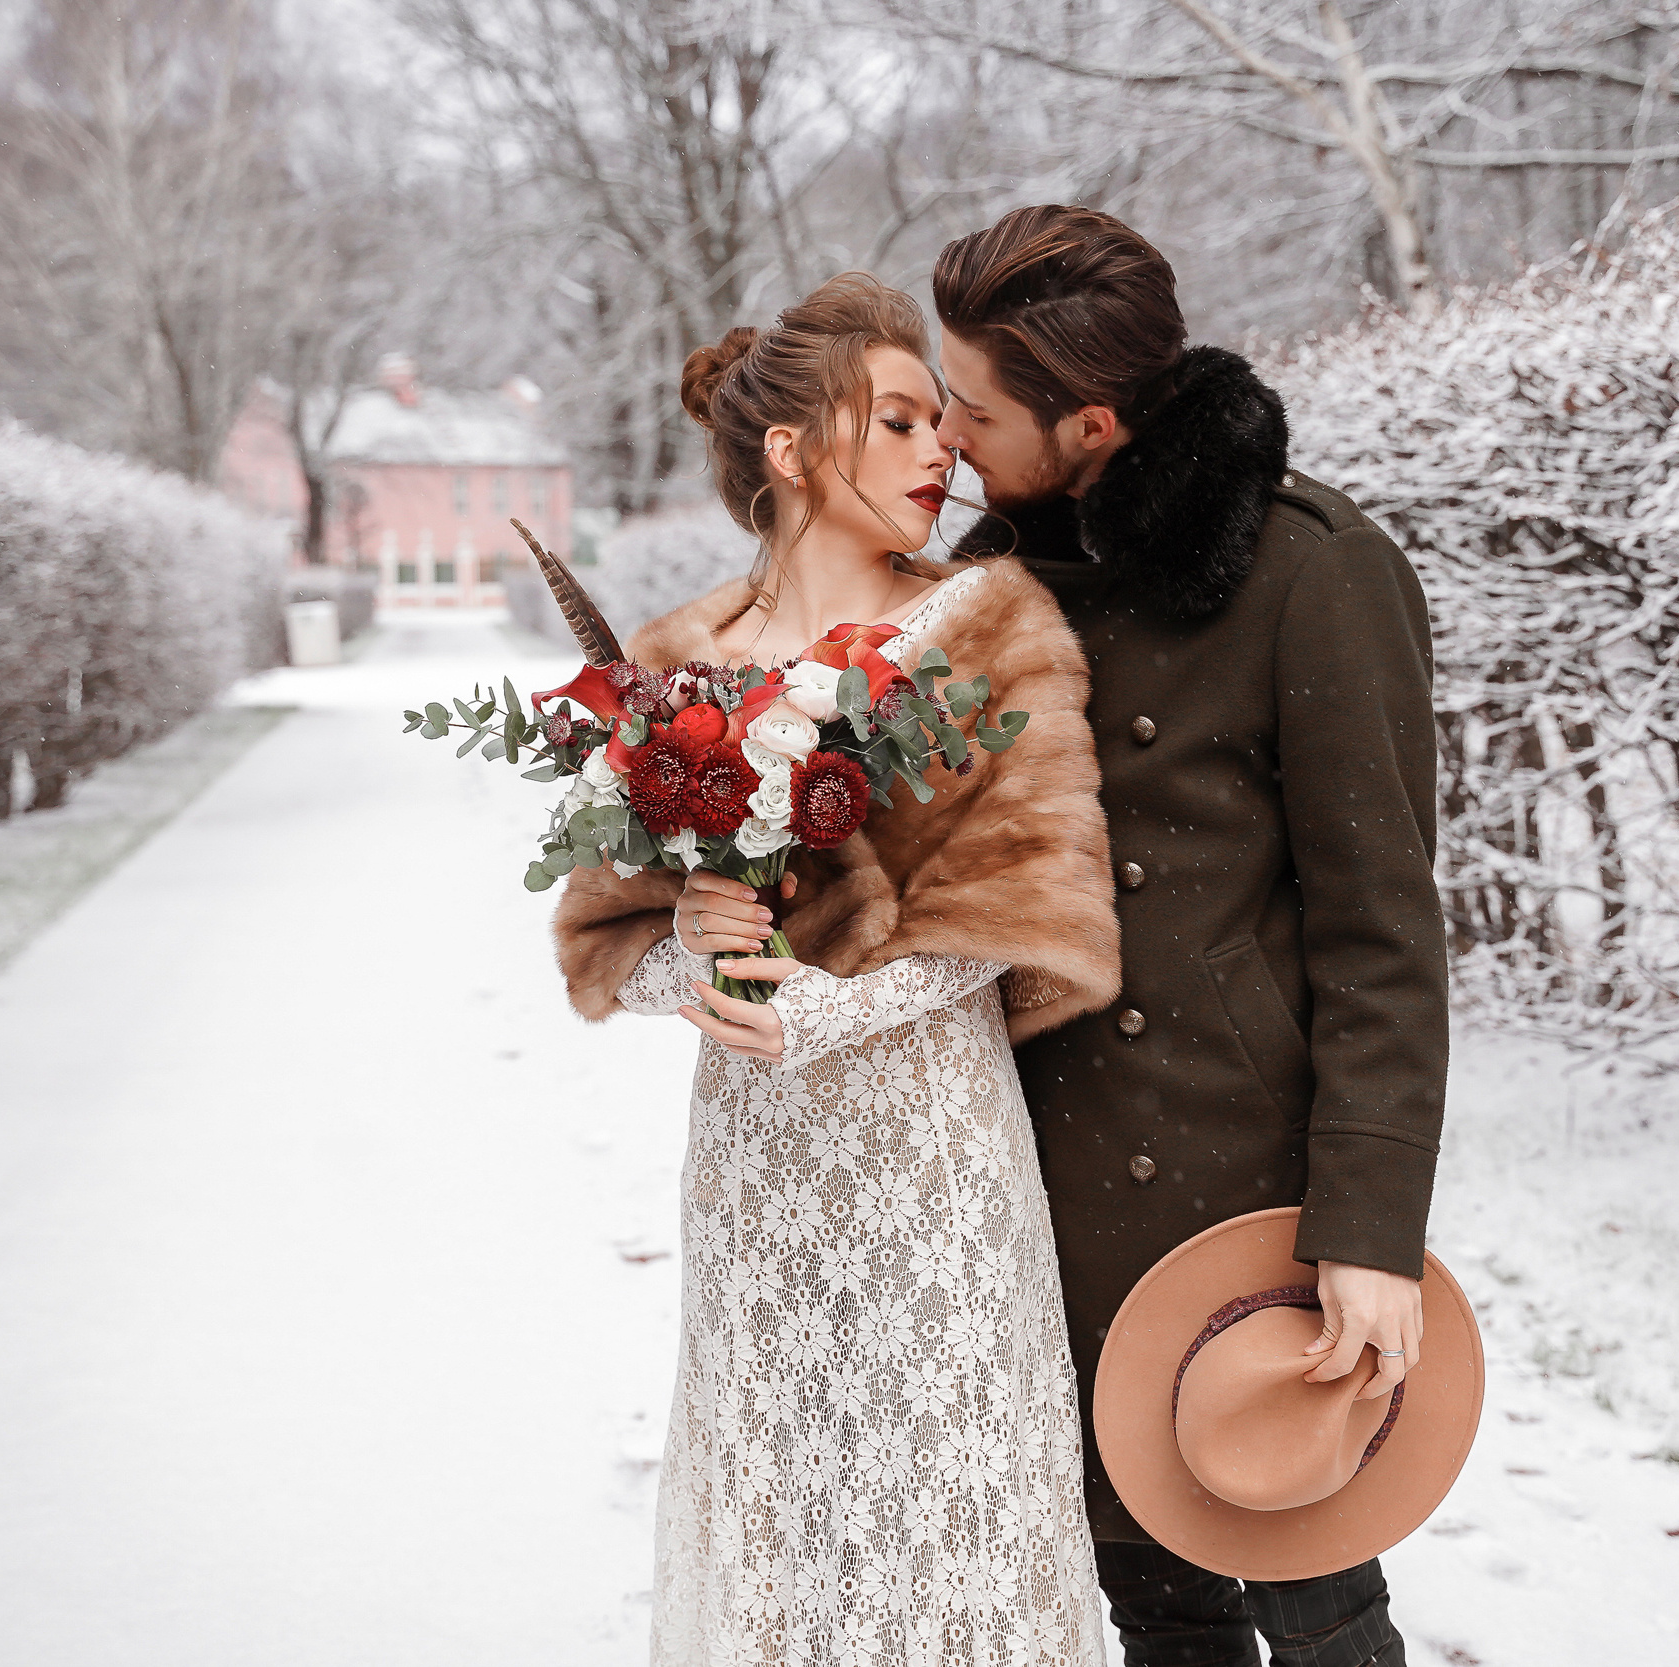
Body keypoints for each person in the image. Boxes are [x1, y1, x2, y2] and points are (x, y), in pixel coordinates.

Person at [552, 273, 1123, 1665]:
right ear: (792, 449)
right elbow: (604, 935)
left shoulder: (998, 627)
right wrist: (690, 963)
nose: (943, 453)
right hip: (759, 1179)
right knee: (787, 1543)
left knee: (950, 1542)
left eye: (944, 421)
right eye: (902, 420)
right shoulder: (672, 666)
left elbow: (1016, 915)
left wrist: (824, 1009)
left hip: (934, 1161)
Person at [930, 206, 1450, 1667]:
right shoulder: (979, 592)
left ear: (1087, 421)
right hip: (1034, 1178)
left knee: (1315, 1591)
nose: (951, 433)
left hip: (1239, 1200)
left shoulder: (1312, 574)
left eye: (975, 407)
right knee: (1148, 1600)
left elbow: (1384, 934)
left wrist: (1368, 1233)